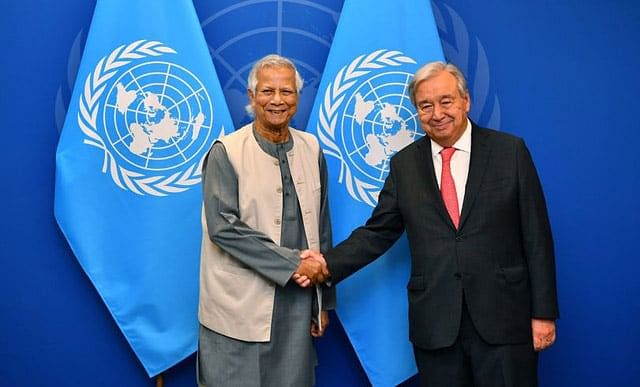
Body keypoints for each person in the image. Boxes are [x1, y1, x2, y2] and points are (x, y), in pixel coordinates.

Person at [317, 61, 559, 386]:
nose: (437, 113)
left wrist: (543, 313)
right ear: (416, 111)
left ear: (466, 101)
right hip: (436, 324)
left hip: (505, 320)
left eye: (446, 101)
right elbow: (378, 232)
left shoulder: (510, 152)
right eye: (425, 105)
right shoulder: (404, 165)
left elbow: (536, 237)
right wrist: (325, 265)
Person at [197, 54, 332, 387]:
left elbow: (321, 227)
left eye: (286, 92)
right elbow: (223, 228)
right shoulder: (225, 151)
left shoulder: (312, 148)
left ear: (297, 98)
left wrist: (323, 301)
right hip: (237, 307)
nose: (277, 100)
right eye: (267, 91)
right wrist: (292, 263)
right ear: (251, 97)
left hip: (298, 305)